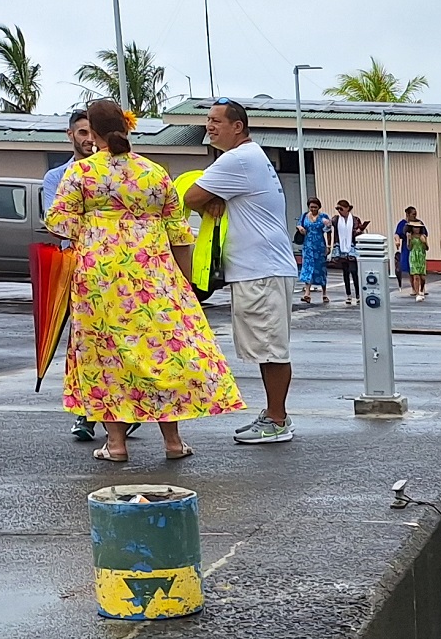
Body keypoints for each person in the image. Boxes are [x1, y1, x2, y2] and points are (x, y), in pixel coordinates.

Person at [42, 97, 244, 464]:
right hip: (154, 276)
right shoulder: (154, 172)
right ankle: (172, 441)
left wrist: (97, 227)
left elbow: (58, 223)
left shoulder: (81, 174)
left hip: (99, 281)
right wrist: (185, 282)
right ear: (126, 125)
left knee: (106, 358)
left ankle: (116, 445)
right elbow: (179, 233)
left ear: (95, 133)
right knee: (161, 353)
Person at [188, 99, 298, 444]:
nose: (209, 126)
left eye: (217, 120)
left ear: (238, 126)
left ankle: (277, 420)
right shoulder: (249, 157)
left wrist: (209, 199)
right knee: (266, 346)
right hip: (262, 268)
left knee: (270, 348)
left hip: (261, 270)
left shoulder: (237, 158)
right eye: (207, 120)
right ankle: (273, 414)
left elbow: (190, 196)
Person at [43, 112, 104, 442]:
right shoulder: (57, 177)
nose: (87, 139)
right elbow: (57, 222)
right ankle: (85, 413)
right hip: (75, 268)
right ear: (70, 135)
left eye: (92, 132)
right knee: (80, 345)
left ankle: (120, 412)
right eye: (82, 132)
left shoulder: (112, 171)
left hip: (109, 272)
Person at [297, 197, 332, 306]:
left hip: (319, 245)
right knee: (307, 267)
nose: (313, 209)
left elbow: (329, 231)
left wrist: (329, 246)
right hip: (308, 246)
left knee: (320, 268)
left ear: (319, 207)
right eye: (311, 207)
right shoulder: (304, 216)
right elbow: (299, 224)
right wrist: (300, 228)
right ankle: (307, 293)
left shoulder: (323, 217)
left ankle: (324, 292)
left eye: (315, 207)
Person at [329, 197, 361, 303]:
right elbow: (329, 224)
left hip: (351, 247)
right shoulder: (336, 219)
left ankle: (358, 294)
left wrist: (359, 230)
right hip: (341, 248)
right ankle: (348, 294)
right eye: (337, 209)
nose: (339, 211)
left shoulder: (355, 220)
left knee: (354, 271)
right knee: (345, 272)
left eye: (341, 209)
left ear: (348, 208)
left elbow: (357, 232)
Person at [397, 205, 429, 300]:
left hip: (420, 249)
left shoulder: (419, 223)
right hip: (408, 249)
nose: (415, 216)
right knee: (412, 270)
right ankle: (414, 288)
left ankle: (421, 288)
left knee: (421, 272)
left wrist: (424, 241)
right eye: (413, 214)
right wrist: (397, 241)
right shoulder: (403, 224)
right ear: (407, 214)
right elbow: (397, 234)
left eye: (415, 214)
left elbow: (425, 234)